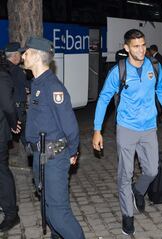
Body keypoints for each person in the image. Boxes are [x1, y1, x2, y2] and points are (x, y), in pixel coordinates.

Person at [92, 29, 162, 235]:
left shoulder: (155, 66)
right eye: (136, 46)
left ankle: (138, 191)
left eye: (143, 45)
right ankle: (127, 215)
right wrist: (97, 130)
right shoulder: (119, 71)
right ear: (126, 48)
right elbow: (104, 99)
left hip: (149, 127)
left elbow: (161, 91)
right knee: (125, 174)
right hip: (126, 128)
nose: (141, 49)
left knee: (152, 170)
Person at [22, 37, 85, 238]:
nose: (23, 56)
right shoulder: (37, 83)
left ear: (36, 56)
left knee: (59, 214)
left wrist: (73, 151)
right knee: (47, 209)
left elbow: (71, 127)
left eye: (26, 52)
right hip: (40, 156)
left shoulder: (52, 87)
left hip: (54, 158)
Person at [0, 51, 21, 232]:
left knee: (1, 172)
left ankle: (11, 213)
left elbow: (8, 105)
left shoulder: (3, 77)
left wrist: (14, 124)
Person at [5, 42, 29, 148]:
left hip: (5, 110)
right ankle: (35, 160)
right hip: (18, 111)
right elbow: (29, 86)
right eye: (20, 53)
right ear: (15, 55)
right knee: (27, 137)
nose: (21, 56)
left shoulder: (2, 68)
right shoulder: (18, 71)